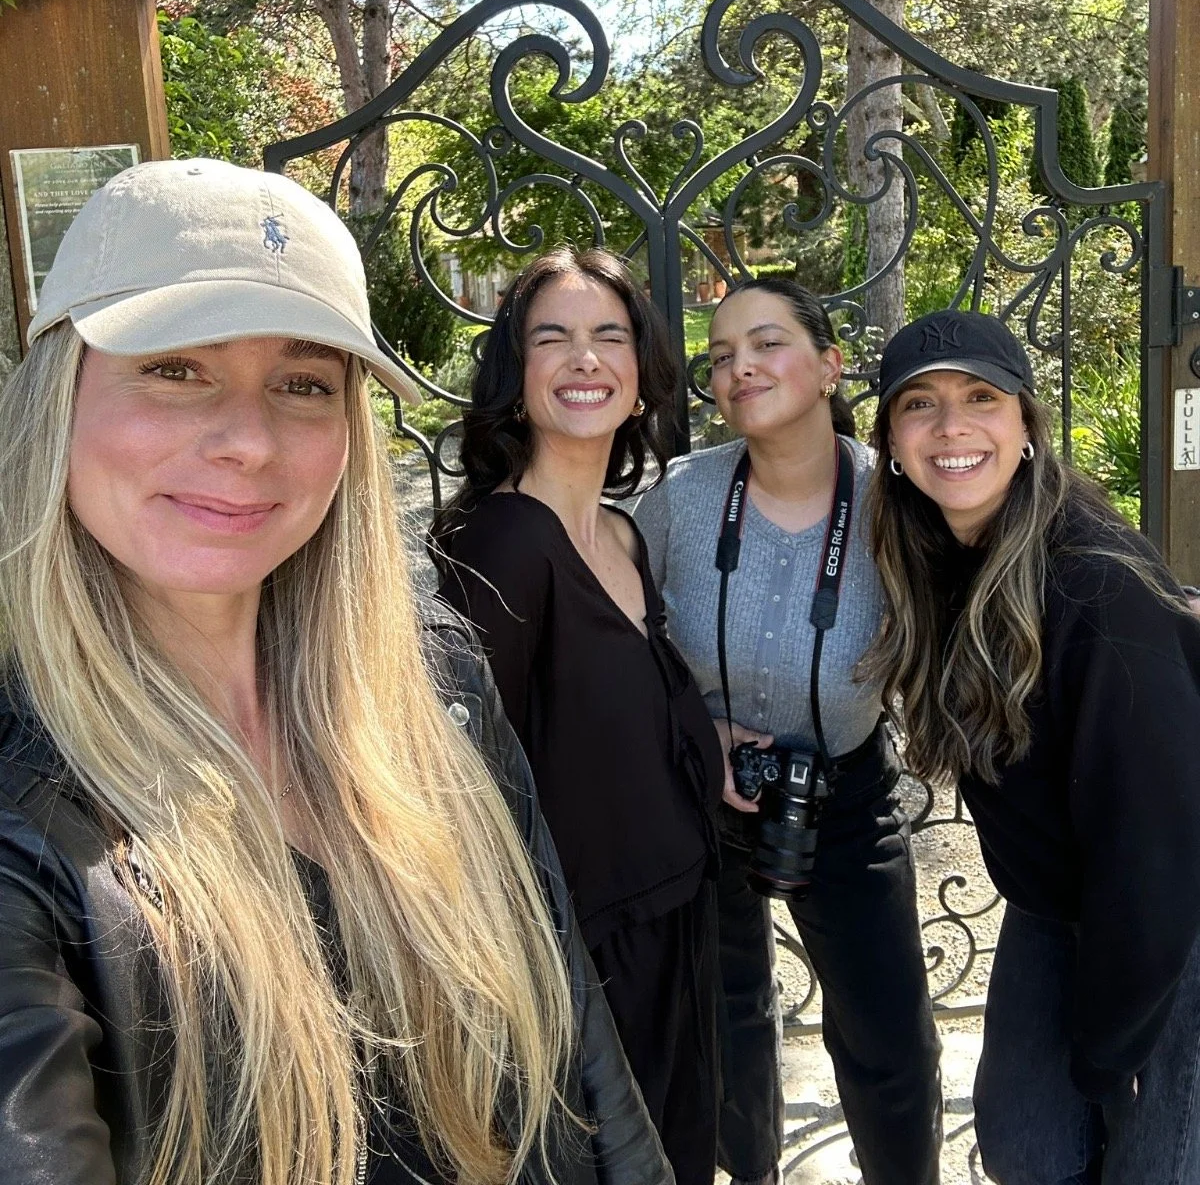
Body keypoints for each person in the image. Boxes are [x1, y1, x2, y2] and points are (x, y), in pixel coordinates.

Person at [0, 158, 672, 1185]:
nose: (248, 439)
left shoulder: (431, 676)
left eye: (304, 382)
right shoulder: (25, 819)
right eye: (175, 366)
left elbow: (574, 1029)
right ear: (61, 393)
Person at [864, 307, 1200, 1185]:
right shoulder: (940, 560)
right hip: (1059, 905)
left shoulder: (1094, 587)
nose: (952, 427)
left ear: (1025, 427)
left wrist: (1110, 1042)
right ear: (891, 443)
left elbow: (1153, 844)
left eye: (981, 396)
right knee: (1028, 1147)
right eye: (919, 405)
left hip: (1172, 916)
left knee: (1150, 1162)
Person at [632, 276, 942, 1185]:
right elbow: (630, 648)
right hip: (705, 789)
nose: (740, 368)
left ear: (829, 365)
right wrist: (697, 730)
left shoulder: (897, 502)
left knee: (888, 1034)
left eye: (766, 343)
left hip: (841, 795)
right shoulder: (681, 500)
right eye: (722, 356)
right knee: (728, 1022)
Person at [429, 247, 724, 1185]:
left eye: (609, 336)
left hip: (677, 923)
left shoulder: (624, 532)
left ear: (641, 378)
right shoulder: (502, 545)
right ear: (515, 380)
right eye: (550, 338)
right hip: (583, 964)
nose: (584, 359)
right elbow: (457, 781)